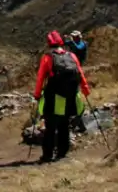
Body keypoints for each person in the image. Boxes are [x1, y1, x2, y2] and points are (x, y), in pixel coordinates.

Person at [33, 30, 91, 163]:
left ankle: (47, 155)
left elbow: (41, 78)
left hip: (53, 96)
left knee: (51, 126)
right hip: (69, 96)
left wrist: (37, 94)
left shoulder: (47, 57)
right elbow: (80, 73)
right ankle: (62, 152)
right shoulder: (71, 56)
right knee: (64, 124)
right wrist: (85, 90)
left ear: (49, 44)